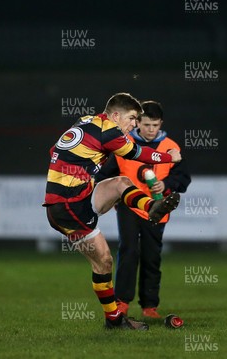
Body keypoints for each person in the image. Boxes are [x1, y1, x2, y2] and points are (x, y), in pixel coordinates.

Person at [43, 92, 182, 329]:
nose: (134, 124)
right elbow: (136, 153)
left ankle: (152, 206)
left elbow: (54, 149)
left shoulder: (88, 121)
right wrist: (168, 157)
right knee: (104, 261)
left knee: (121, 183)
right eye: (132, 118)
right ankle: (115, 320)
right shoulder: (109, 130)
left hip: (77, 197)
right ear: (116, 115)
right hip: (69, 206)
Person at [95, 100, 191, 319]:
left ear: (161, 124)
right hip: (129, 206)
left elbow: (184, 179)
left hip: (158, 208)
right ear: (137, 122)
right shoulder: (125, 144)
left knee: (152, 255)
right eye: (146, 125)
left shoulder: (171, 148)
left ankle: (149, 306)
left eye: (155, 125)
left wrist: (166, 185)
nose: (150, 130)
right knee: (128, 250)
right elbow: (105, 174)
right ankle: (122, 302)